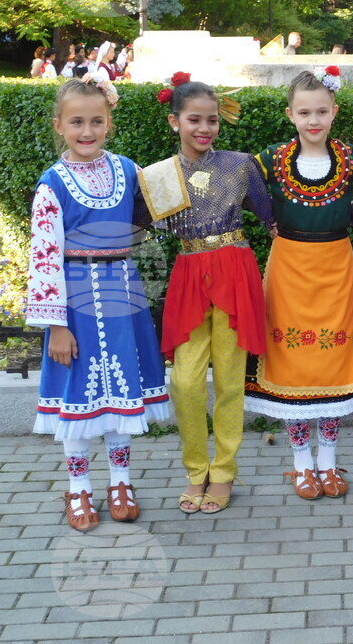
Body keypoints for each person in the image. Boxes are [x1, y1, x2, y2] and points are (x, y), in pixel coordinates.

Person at [27, 76, 169, 532]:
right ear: (59, 126)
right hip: (76, 302)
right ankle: (79, 487)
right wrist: (58, 325)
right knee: (79, 396)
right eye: (76, 122)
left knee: (121, 392)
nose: (86, 131)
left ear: (108, 123)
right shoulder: (52, 184)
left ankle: (121, 481)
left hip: (123, 297)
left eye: (95, 121)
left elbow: (157, 218)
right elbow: (44, 256)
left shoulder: (128, 170)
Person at [245, 68, 353, 501]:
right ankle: (301, 462)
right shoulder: (271, 158)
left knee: (331, 360)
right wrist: (268, 217)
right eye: (304, 112)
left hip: (336, 266)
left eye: (321, 111)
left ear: (334, 112)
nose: (313, 120)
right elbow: (245, 180)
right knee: (293, 362)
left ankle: (328, 459)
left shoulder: (351, 157)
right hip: (288, 267)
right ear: (290, 114)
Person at [145, 72, 274, 515]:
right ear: (173, 121)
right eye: (194, 120)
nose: (204, 128)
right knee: (184, 381)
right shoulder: (159, 176)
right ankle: (194, 469)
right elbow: (132, 226)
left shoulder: (240, 165)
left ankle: (223, 472)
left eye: (213, 120)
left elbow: (274, 216)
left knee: (230, 380)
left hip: (235, 269)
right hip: (189, 273)